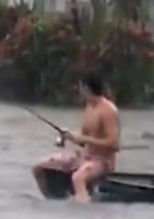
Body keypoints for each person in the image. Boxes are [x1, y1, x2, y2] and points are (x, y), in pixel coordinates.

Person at [31, 73, 121, 202]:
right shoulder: (89, 107)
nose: (79, 91)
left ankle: (83, 212)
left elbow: (114, 143)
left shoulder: (109, 110)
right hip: (83, 157)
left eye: (80, 87)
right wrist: (69, 135)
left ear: (87, 89)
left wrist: (85, 140)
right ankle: (52, 200)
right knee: (38, 167)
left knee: (78, 178)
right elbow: (83, 137)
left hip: (102, 162)